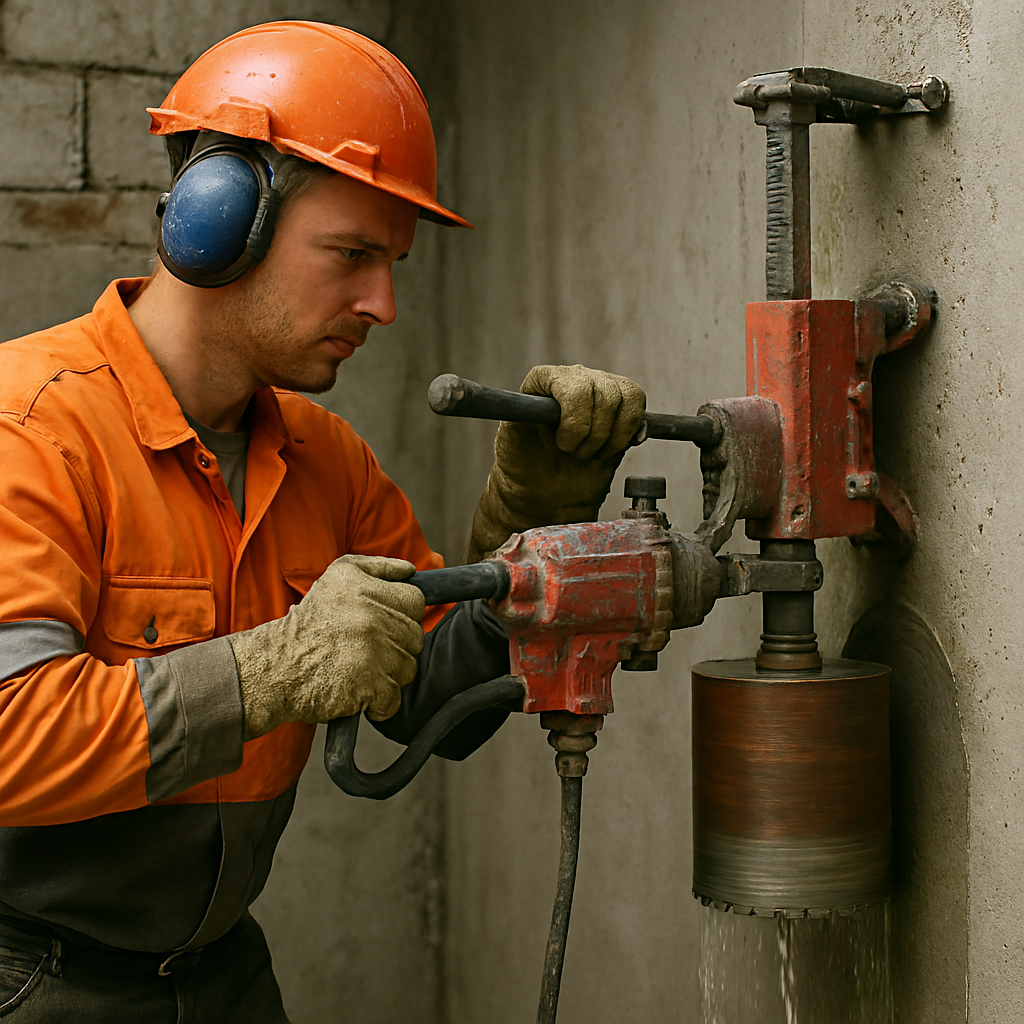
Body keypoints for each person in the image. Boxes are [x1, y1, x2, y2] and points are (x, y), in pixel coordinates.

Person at [0, 21, 646, 1023]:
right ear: (218, 224)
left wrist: (530, 523)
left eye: (391, 262)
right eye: (351, 255)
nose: (382, 302)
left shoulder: (326, 460)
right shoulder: (30, 430)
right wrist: (266, 673)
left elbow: (432, 694)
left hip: (220, 979)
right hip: (30, 980)